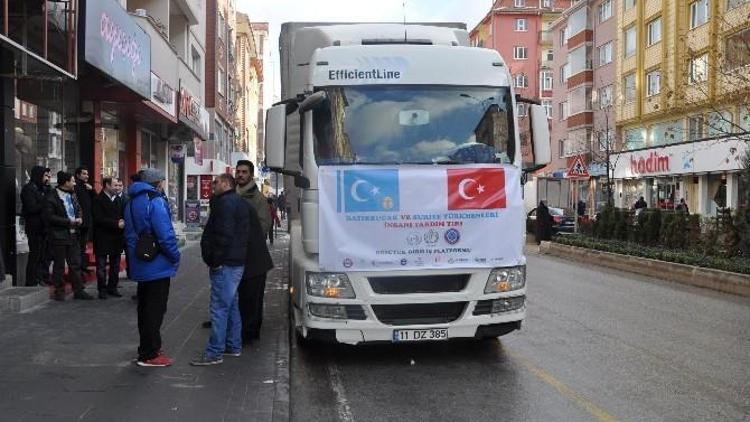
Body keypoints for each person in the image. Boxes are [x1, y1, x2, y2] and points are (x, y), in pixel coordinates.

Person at [124, 169, 181, 367]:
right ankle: (150, 354)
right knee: (155, 309)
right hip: (157, 263)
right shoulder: (154, 201)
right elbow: (166, 235)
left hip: (140, 260)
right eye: (162, 181)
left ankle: (148, 347)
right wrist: (175, 256)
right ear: (157, 183)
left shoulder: (131, 201)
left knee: (145, 307)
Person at [191, 174, 249, 366]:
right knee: (231, 305)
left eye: (215, 183)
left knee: (219, 308)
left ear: (225, 184)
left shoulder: (225, 204)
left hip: (225, 263)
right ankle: (233, 345)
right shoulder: (237, 201)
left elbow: (223, 234)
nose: (212, 186)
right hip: (235, 261)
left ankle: (214, 352)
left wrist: (215, 260)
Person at [44, 171, 93, 301]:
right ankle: (59, 291)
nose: (74, 183)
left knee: (76, 263)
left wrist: (80, 218)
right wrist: (69, 222)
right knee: (59, 265)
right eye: (72, 181)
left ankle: (78, 290)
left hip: (73, 234)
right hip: (59, 235)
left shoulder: (73, 194)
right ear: (66, 182)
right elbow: (50, 217)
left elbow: (78, 208)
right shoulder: (52, 196)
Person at [92, 177, 125, 299]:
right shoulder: (98, 199)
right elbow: (99, 219)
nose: (117, 188)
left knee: (115, 265)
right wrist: (116, 223)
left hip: (116, 237)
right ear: (107, 185)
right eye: (115, 185)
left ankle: (113, 287)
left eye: (118, 185)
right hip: (102, 237)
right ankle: (102, 289)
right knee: (101, 266)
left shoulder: (119, 200)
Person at [21, 166, 51, 286]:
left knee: (42, 256)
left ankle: (39, 278)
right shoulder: (28, 189)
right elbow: (31, 208)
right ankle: (31, 281)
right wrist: (44, 201)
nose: (47, 179)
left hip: (43, 228)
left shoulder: (42, 189)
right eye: (45, 176)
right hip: (34, 228)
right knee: (35, 255)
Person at [74, 167, 95, 277]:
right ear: (78, 175)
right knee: (78, 247)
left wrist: (92, 190)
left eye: (87, 174)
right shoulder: (76, 187)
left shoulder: (87, 187)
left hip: (87, 222)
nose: (87, 176)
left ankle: (83, 267)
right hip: (79, 222)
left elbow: (95, 201)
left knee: (83, 246)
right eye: (84, 174)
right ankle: (79, 269)